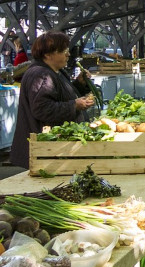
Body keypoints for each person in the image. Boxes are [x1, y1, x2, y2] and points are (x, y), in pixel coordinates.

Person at [10, 31, 95, 168]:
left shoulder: (54, 71)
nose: (68, 54)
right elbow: (43, 110)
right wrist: (74, 105)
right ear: (47, 54)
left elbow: (60, 95)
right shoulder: (41, 75)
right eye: (62, 51)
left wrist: (79, 84)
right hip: (44, 152)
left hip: (52, 151)